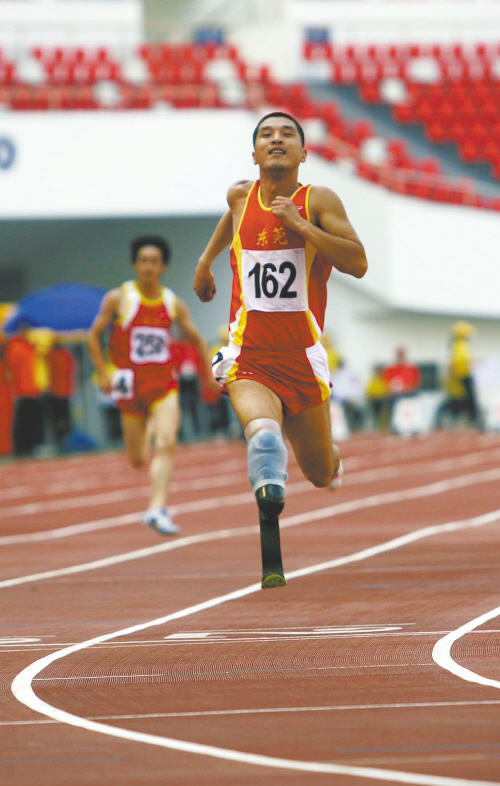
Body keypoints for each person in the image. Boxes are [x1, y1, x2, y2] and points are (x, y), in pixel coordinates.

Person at [193, 111, 367, 588]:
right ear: (254, 153)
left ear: (303, 153)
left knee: (319, 472)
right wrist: (205, 262)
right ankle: (268, 487)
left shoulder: (318, 200)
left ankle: (330, 455)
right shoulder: (239, 196)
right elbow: (231, 222)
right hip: (248, 354)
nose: (276, 139)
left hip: (302, 357)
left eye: (287, 134)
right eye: (266, 134)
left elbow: (358, 263)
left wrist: (302, 226)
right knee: (265, 437)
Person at [86, 235, 218, 535]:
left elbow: (198, 340)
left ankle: (156, 509)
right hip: (130, 387)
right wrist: (103, 373)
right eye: (143, 261)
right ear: (135, 265)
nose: (148, 266)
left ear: (163, 267)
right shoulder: (119, 298)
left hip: (163, 385)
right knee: (137, 459)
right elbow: (92, 336)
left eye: (154, 262)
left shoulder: (172, 303)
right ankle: (146, 432)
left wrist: (208, 374)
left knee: (167, 442)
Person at [4, 322, 44, 457]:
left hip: (32, 389)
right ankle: (21, 447)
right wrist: (13, 389)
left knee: (32, 420)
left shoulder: (29, 346)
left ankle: (31, 446)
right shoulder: (16, 346)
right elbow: (11, 369)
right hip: (21, 391)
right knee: (22, 420)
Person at [435, 321, 480, 428]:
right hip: (462, 377)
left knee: (460, 400)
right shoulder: (460, 345)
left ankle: (466, 418)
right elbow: (459, 363)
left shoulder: (457, 345)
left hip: (460, 376)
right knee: (463, 400)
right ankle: (470, 419)